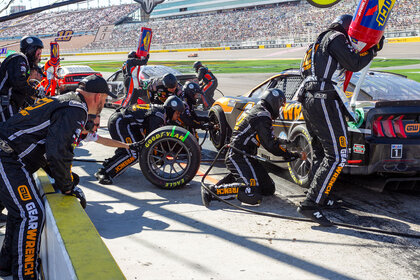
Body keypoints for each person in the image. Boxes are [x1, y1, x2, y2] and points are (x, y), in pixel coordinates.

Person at [0, 74, 116, 279]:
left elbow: (49, 149)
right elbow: (58, 152)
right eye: (105, 99)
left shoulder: (68, 101)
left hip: (9, 155)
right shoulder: (77, 109)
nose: (104, 104)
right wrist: (68, 186)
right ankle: (25, 275)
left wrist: (68, 179)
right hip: (7, 156)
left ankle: (6, 264)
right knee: (31, 213)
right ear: (98, 96)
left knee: (21, 212)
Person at [297, 15, 384, 226]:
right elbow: (353, 63)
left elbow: (303, 70)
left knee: (320, 152)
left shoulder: (314, 44)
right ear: (347, 28)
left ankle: (318, 194)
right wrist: (372, 50)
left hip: (309, 97)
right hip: (322, 97)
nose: (353, 39)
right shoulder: (336, 36)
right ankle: (312, 203)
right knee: (338, 154)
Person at [201, 88, 303, 206]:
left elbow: (271, 139)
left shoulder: (260, 111)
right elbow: (271, 145)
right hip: (238, 156)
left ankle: (238, 179)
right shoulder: (262, 116)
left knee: (268, 189)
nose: (280, 109)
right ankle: (211, 191)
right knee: (252, 195)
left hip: (248, 157)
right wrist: (292, 155)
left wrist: (291, 143)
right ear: (274, 102)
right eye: (280, 105)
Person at [95, 95, 185, 185]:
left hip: (128, 124)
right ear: (171, 109)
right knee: (134, 154)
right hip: (120, 122)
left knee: (134, 149)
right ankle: (104, 172)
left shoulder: (161, 113)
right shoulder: (158, 116)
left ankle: (110, 163)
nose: (178, 116)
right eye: (177, 113)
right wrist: (157, 157)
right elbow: (150, 140)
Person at [0, 36, 43, 122]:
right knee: (9, 130)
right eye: (38, 54)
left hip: (9, 102)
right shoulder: (19, 59)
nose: (39, 57)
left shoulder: (22, 60)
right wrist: (36, 92)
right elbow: (18, 83)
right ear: (31, 50)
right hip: (5, 102)